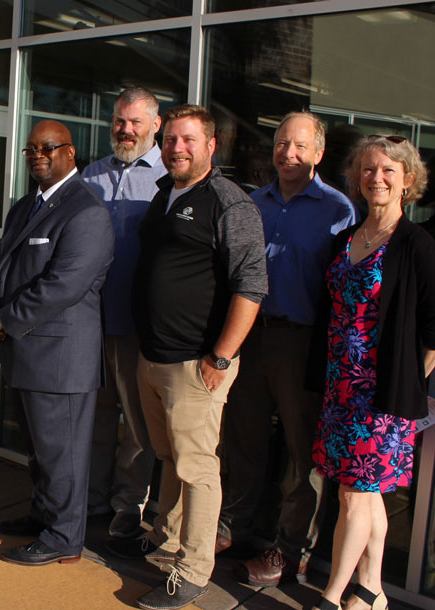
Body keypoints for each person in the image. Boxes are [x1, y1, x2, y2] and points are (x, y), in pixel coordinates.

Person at [109, 104, 267, 610]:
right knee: (168, 456)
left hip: (196, 363)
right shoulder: (164, 193)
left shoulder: (229, 202)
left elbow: (251, 286)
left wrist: (220, 358)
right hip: (153, 357)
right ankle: (169, 538)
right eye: (171, 139)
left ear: (211, 145)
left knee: (198, 468)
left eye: (187, 140)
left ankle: (194, 570)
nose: (176, 148)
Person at [220, 112, 358, 586]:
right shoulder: (253, 204)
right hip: (251, 337)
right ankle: (234, 528)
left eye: (300, 146)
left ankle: (289, 551)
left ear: (319, 153)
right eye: (281, 144)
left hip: (303, 344)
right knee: (243, 440)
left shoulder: (339, 211)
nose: (289, 154)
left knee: (304, 455)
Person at [0, 120, 114, 566]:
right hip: (24, 351)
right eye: (30, 149)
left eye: (48, 148)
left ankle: (63, 539)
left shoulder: (86, 211)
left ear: (70, 154)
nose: (37, 155)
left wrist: (3, 318)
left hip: (60, 357)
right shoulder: (24, 207)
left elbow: (63, 285)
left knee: (63, 453)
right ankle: (43, 515)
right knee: (38, 450)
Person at [308, 135, 434, 610]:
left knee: (353, 496)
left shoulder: (417, 245)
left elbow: (434, 327)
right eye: (367, 169)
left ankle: (333, 594)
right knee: (366, 494)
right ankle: (371, 591)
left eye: (387, 171)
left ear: (407, 181)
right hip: (340, 387)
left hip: (382, 394)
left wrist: (408, 383)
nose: (376, 178)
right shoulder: (347, 238)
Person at [82, 86, 166, 538]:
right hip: (92, 321)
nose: (125, 129)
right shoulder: (90, 176)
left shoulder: (169, 179)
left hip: (138, 324)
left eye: (135, 122)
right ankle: (92, 499)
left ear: (156, 124)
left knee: (137, 423)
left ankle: (127, 505)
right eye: (119, 120)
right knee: (95, 414)